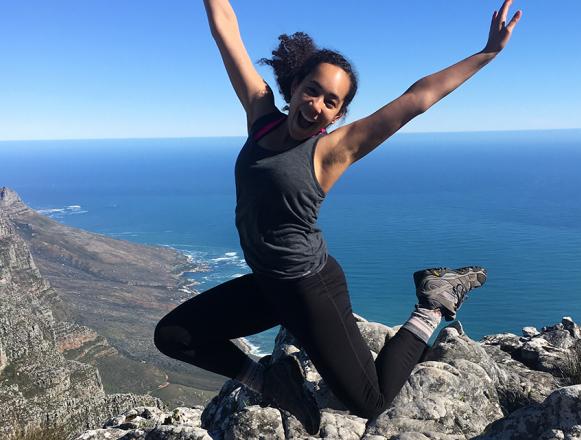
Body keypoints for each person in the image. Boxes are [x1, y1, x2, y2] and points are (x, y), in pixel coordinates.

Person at [154, 0, 521, 435]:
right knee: (174, 336)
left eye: (331, 101)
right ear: (294, 87)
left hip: (311, 288)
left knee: (370, 400)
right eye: (312, 90)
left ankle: (433, 304)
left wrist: (487, 53)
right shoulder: (261, 115)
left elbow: (417, 99)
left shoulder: (332, 151)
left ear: (339, 115)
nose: (316, 106)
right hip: (269, 285)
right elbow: (226, 30)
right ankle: (271, 381)